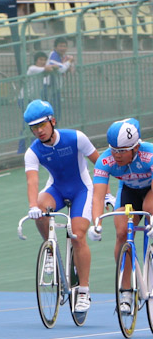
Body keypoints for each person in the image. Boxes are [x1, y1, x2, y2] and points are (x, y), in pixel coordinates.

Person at [23, 100, 99, 313]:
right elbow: (32, 181)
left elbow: (99, 163)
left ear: (53, 121)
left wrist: (108, 193)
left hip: (82, 189)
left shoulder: (76, 138)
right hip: (56, 188)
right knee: (39, 208)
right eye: (33, 128)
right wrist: (32, 206)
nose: (38, 131)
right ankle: (49, 248)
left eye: (42, 125)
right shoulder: (32, 152)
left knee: (78, 236)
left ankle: (83, 290)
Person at [88, 118, 152, 314]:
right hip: (129, 192)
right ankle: (125, 291)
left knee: (149, 207)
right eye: (113, 149)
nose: (117, 155)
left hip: (150, 190)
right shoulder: (105, 160)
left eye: (122, 151)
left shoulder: (149, 154)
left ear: (135, 147)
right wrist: (96, 222)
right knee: (122, 232)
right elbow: (98, 197)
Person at [18, 52, 55, 153]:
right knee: (27, 124)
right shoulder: (32, 68)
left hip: (33, 100)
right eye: (40, 59)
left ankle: (33, 148)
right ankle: (21, 150)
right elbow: (48, 69)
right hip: (25, 99)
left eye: (44, 60)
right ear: (36, 61)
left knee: (35, 123)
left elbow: (50, 70)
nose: (43, 62)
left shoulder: (42, 70)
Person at [44, 37, 75, 121]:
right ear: (55, 47)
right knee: (50, 109)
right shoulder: (53, 54)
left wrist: (69, 64)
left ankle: (55, 129)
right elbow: (61, 69)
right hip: (48, 85)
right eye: (60, 46)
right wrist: (69, 63)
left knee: (56, 110)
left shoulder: (63, 57)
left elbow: (71, 69)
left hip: (56, 86)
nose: (63, 48)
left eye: (64, 46)